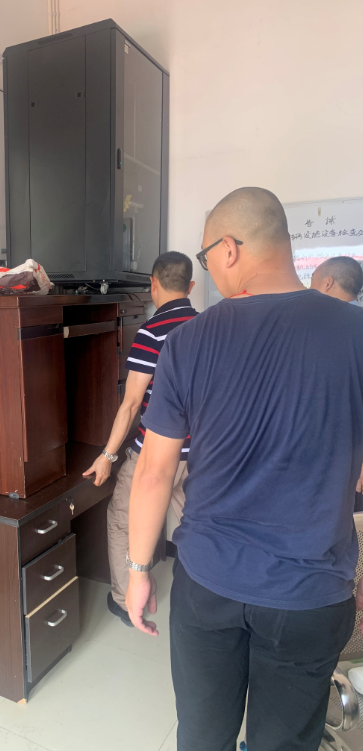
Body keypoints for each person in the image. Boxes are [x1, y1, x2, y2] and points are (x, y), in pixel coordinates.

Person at [126, 187, 363, 751]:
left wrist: (138, 570)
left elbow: (154, 472)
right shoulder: (356, 334)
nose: (208, 268)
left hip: (208, 581)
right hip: (309, 591)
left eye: (206, 256)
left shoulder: (187, 341)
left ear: (229, 249)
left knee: (203, 735)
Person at [83, 252, 198, 626]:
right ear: (190, 286)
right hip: (199, 453)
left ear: (153, 284)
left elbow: (131, 403)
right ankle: (200, 594)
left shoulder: (152, 332)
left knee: (122, 520)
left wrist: (107, 455)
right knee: (194, 528)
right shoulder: (208, 328)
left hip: (155, 453)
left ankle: (123, 599)